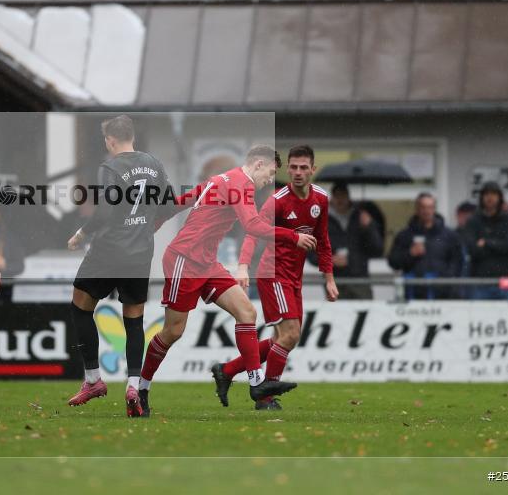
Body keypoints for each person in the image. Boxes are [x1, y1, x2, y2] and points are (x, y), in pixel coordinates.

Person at [138, 145, 308, 416]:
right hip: (185, 258)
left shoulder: (221, 179)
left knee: (247, 311)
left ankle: (256, 384)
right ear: (259, 164)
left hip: (207, 262)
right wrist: (293, 236)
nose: (269, 180)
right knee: (173, 332)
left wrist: (158, 218)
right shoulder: (242, 185)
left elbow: (186, 199)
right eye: (271, 173)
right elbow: (252, 225)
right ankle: (141, 388)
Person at [64, 115, 172, 417]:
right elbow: (169, 203)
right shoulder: (154, 164)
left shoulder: (109, 167)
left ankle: (94, 380)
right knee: (134, 320)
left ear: (110, 139)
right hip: (139, 254)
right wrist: (147, 226)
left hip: (109, 251)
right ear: (131, 136)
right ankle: (134, 385)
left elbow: (106, 211)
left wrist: (81, 233)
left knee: (80, 307)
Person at [217, 145, 339, 411]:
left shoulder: (320, 199)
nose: (297, 172)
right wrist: (243, 266)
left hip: (294, 277)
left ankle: (226, 370)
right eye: (293, 167)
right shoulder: (278, 200)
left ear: (312, 170)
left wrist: (329, 278)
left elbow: (324, 241)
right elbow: (251, 232)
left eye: (303, 167)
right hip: (272, 274)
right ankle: (265, 396)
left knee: (282, 340)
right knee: (290, 334)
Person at [308, 182, 382, 300]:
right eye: (337, 196)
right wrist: (329, 260)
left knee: (363, 314)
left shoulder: (361, 217)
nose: (340, 200)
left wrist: (369, 227)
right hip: (334, 281)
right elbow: (311, 254)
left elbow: (377, 249)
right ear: (331, 198)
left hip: (360, 279)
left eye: (343, 196)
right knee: (336, 316)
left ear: (349, 198)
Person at [388, 193, 464, 300]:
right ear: (417, 209)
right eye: (423, 207)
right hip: (413, 293)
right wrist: (410, 254)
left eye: (430, 207)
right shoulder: (405, 235)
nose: (426, 211)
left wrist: (444, 281)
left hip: (442, 294)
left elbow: (457, 262)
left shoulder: (449, 235)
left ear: (434, 209)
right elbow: (393, 262)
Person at [461, 181, 508, 299]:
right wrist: (499, 246)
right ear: (481, 197)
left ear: (499, 197)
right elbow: (473, 250)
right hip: (480, 281)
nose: (490, 197)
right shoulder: (473, 220)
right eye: (486, 194)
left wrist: (486, 243)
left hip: (505, 280)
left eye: (493, 194)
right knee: (478, 317)